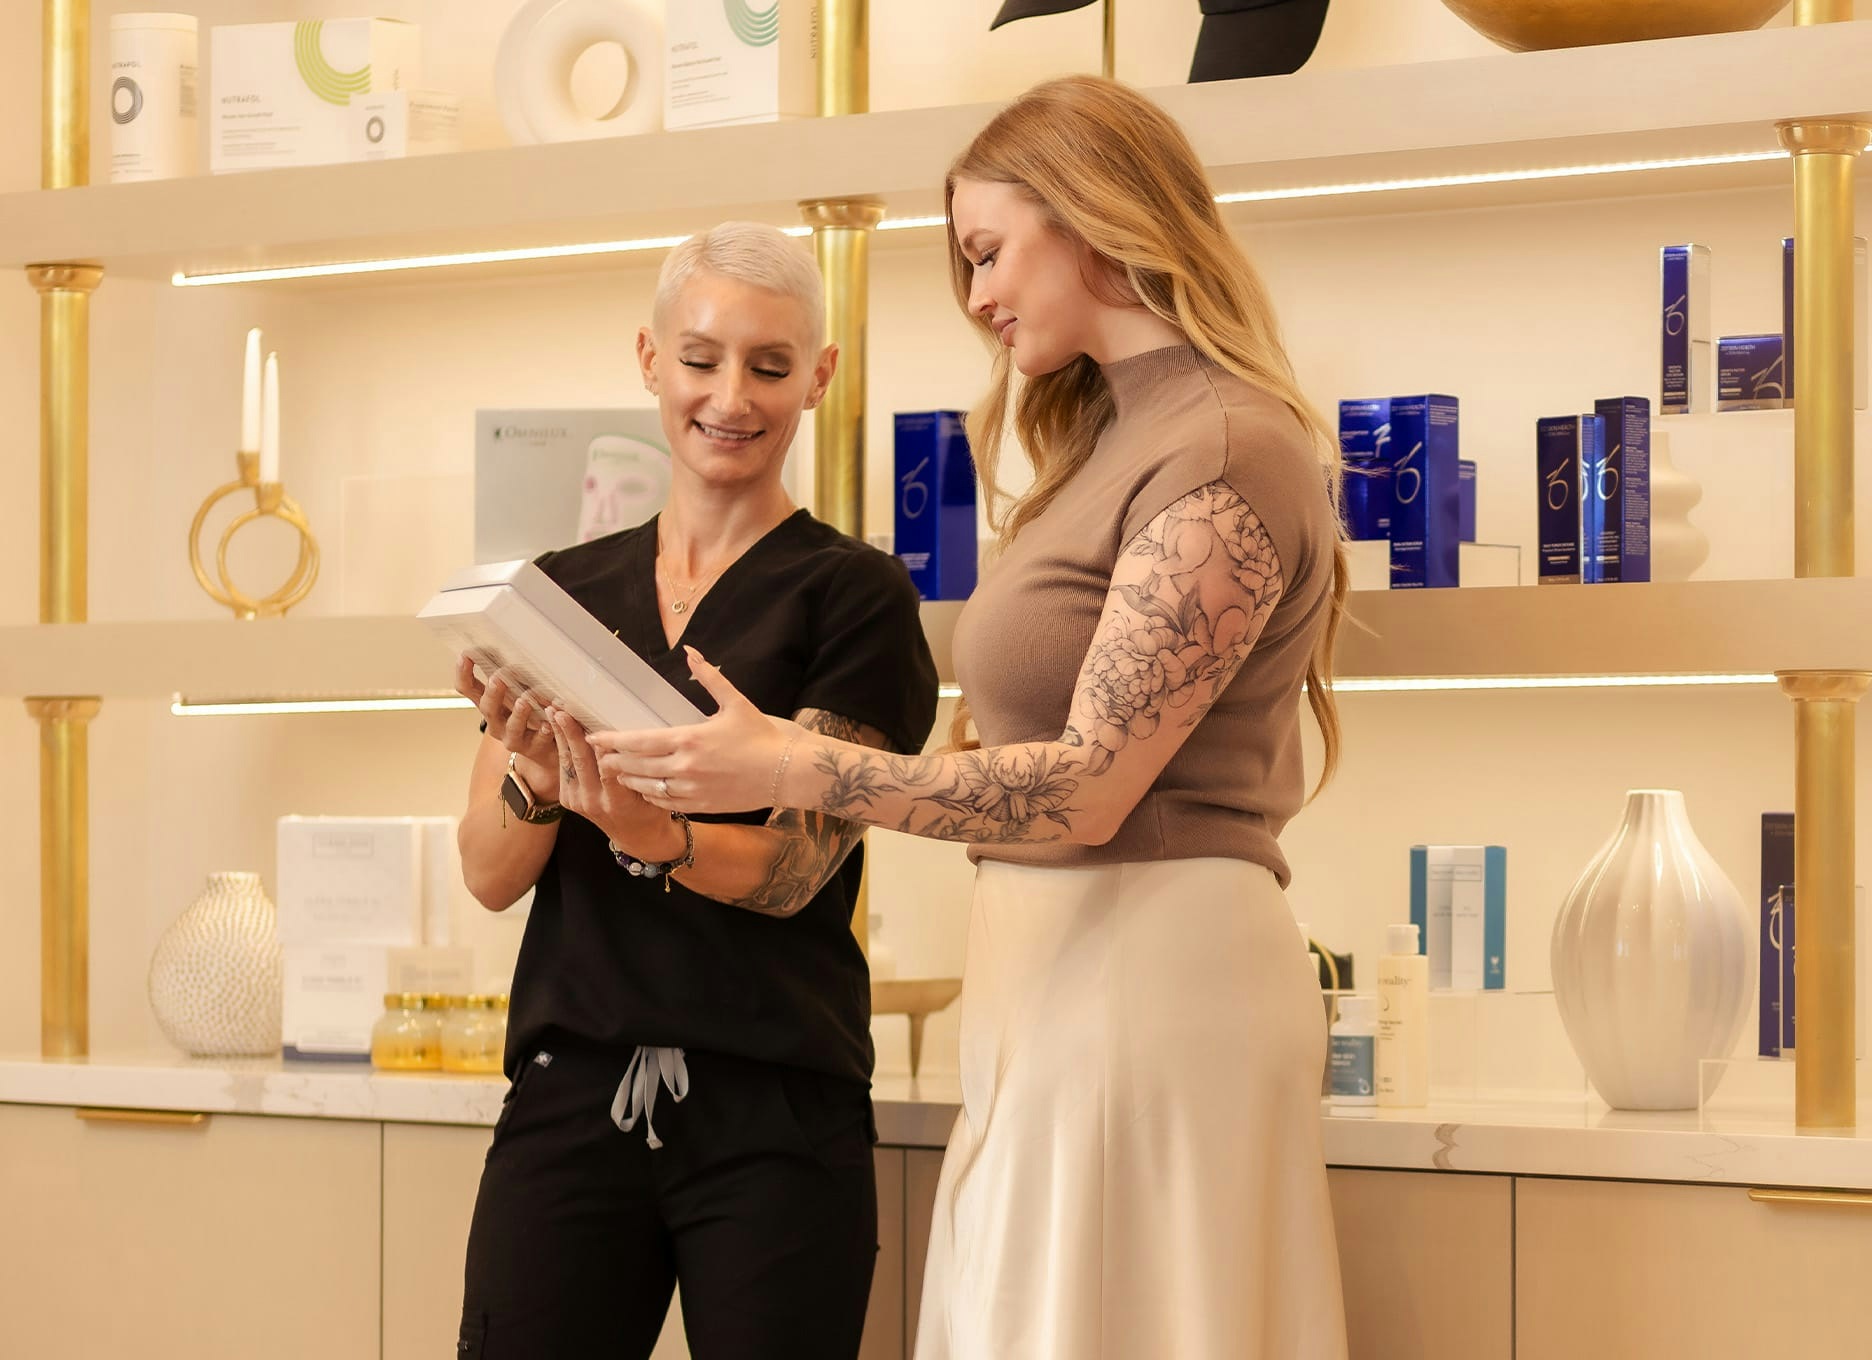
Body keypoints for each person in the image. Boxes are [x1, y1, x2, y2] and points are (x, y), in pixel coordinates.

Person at [591, 76, 1352, 1359]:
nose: (980, 294)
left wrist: (800, 763)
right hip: (1059, 973)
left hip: (1150, 978)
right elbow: (1039, 758)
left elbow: (1091, 788)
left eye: (989, 251)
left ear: (1093, 212)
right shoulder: (1112, 445)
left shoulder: (1223, 444)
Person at [451, 220, 939, 1360]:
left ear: (818, 378)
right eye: (702, 359)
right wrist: (535, 777)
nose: (732, 396)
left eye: (771, 366)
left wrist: (655, 833)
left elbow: (796, 869)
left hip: (773, 1110)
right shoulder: (558, 594)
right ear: (649, 359)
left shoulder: (853, 596)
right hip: (572, 1099)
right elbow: (485, 872)